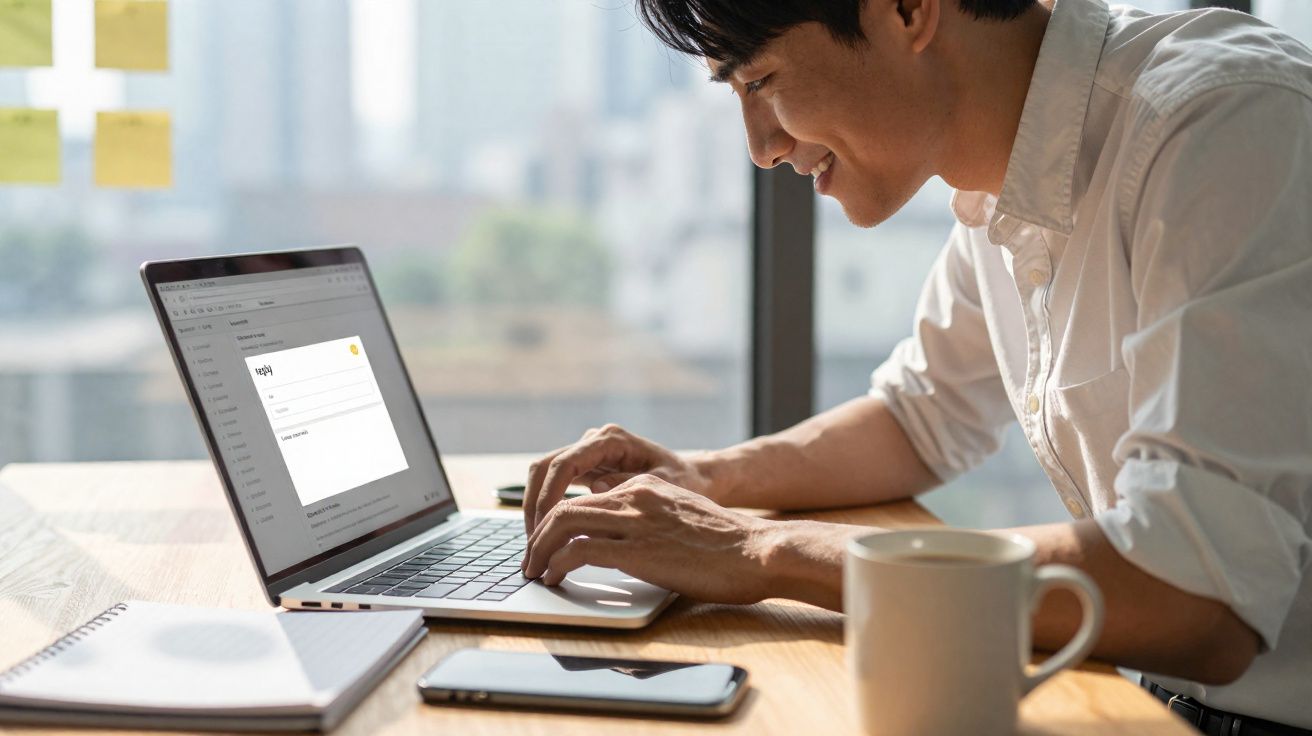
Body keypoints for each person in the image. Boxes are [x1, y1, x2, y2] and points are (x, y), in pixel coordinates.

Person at [519, 0, 1312, 730]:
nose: (761, 149)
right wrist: (705, 481)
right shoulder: (1005, 176)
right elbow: (919, 418)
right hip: (1150, 699)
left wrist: (753, 552)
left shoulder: (1225, 123)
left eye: (761, 80)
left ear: (906, 9)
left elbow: (1196, 594)